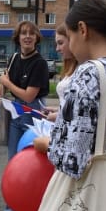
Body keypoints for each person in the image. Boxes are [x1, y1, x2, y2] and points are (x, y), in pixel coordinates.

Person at [36, 0, 106, 211]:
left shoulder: (88, 74)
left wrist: (46, 145)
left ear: (83, 29)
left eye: (70, 35)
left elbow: (72, 161)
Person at [0, 20, 49, 211]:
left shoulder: (39, 63)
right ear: (18, 38)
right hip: (15, 114)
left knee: (31, 166)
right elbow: (3, 86)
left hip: (33, 115)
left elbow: (29, 95)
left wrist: (7, 84)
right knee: (13, 163)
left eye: (31, 34)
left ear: (37, 38)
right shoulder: (15, 57)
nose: (27, 37)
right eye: (23, 33)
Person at [34, 23, 78, 153]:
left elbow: (82, 112)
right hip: (62, 128)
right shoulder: (70, 66)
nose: (57, 49)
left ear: (73, 40)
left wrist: (58, 116)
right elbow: (71, 103)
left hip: (71, 134)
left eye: (60, 43)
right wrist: (56, 109)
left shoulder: (85, 68)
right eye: (56, 44)